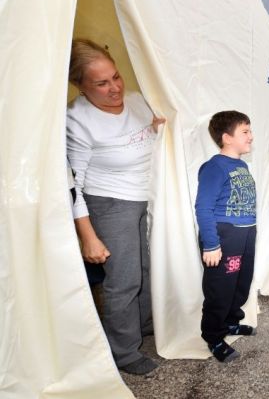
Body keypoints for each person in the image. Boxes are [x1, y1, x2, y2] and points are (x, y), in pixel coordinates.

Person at [66, 39, 165, 375]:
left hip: (146, 195)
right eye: (101, 83)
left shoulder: (137, 101)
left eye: (116, 77)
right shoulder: (77, 120)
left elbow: (153, 133)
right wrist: (88, 237)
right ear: (80, 85)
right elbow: (73, 185)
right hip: (109, 203)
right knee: (123, 280)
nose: (114, 88)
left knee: (147, 271)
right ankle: (123, 352)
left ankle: (143, 325)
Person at [194, 111, 258, 363]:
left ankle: (231, 322)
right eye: (245, 131)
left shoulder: (241, 165)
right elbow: (203, 207)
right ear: (226, 138)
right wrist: (211, 243)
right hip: (225, 235)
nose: (251, 136)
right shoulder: (214, 167)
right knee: (220, 288)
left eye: (250, 131)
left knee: (241, 283)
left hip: (246, 233)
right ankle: (213, 335)